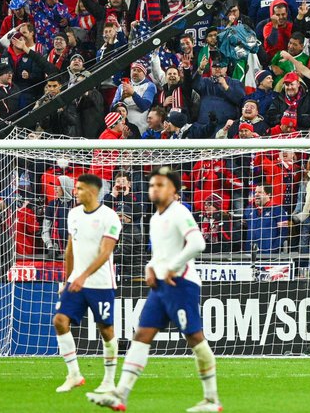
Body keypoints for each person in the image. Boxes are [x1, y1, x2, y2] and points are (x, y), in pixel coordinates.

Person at [88, 167, 220, 413]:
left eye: (160, 185)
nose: (154, 189)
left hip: (181, 284)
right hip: (160, 286)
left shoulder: (179, 212)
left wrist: (173, 267)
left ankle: (212, 400)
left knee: (195, 339)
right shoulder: (155, 217)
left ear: (173, 190)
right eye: (152, 185)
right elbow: (162, 252)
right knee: (141, 336)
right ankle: (120, 394)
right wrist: (151, 266)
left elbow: (197, 243)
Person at [54, 173, 123, 394]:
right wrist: (68, 280)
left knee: (106, 329)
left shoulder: (110, 217)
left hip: (101, 283)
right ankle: (74, 374)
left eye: (80, 188)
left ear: (93, 192)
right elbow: (70, 249)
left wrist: (83, 276)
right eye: (76, 188)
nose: (76, 192)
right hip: (76, 282)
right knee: (60, 321)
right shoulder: (73, 214)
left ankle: (109, 380)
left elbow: (105, 252)